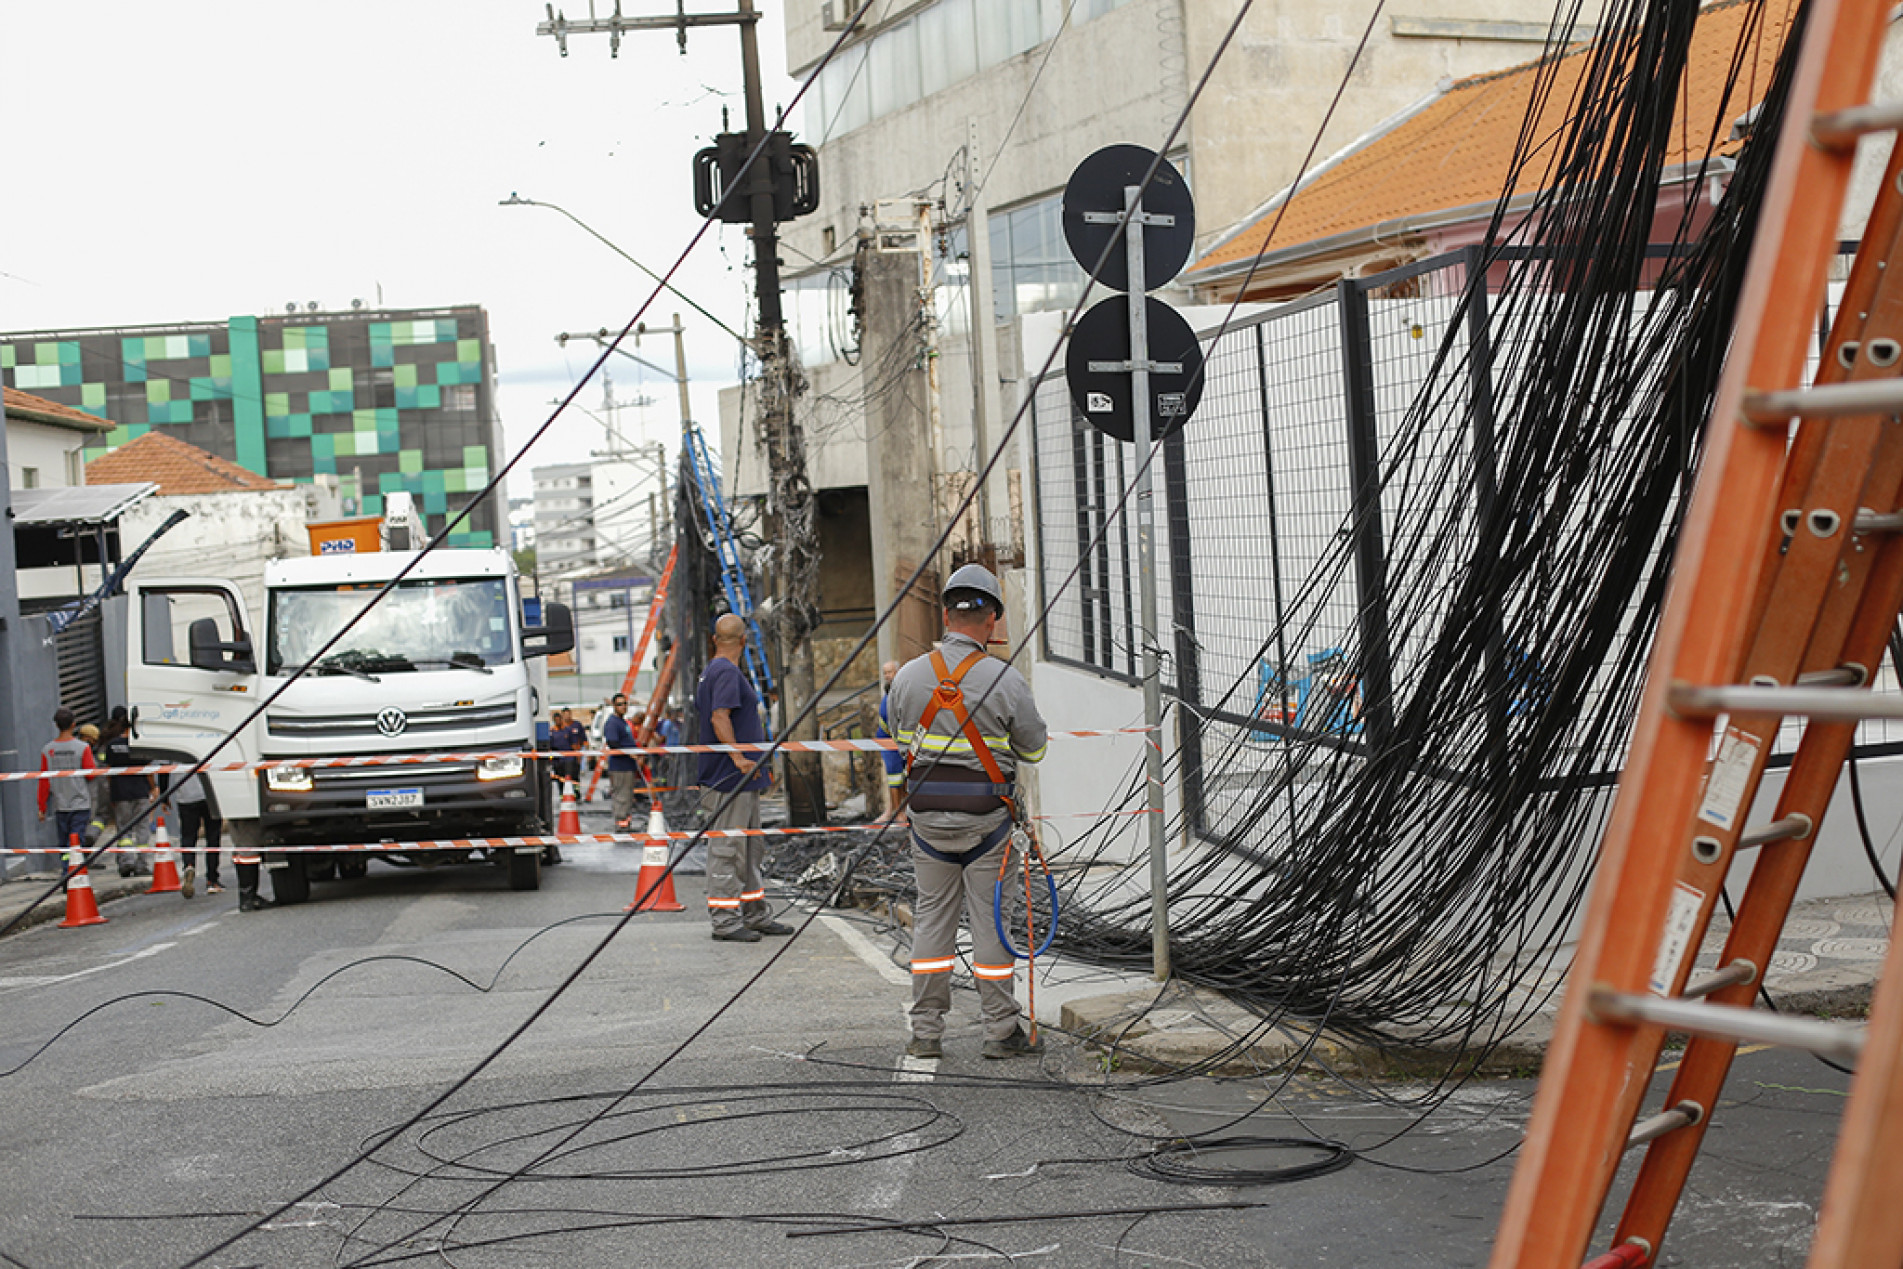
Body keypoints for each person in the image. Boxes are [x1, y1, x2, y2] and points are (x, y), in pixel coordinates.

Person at [887, 564, 1048, 1061]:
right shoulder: (1006, 680)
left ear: (946, 614)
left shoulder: (909, 677)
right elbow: (1035, 749)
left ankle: (926, 1033)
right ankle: (1001, 1032)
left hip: (928, 822)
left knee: (932, 921)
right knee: (991, 924)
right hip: (988, 825)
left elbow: (899, 741)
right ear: (993, 618)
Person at [693, 613, 792, 943]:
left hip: (740, 780)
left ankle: (754, 913)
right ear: (744, 641)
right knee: (728, 847)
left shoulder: (716, 671)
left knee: (749, 847)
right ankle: (724, 920)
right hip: (729, 779)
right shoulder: (726, 672)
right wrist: (737, 756)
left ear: (714, 639)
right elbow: (719, 717)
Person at [36, 706, 98, 880]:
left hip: (60, 804)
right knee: (77, 840)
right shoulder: (82, 748)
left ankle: (66, 872)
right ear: (74, 724)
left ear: (56, 725)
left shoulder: (47, 750)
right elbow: (91, 774)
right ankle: (76, 873)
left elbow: (44, 781)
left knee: (64, 844)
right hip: (80, 802)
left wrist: (41, 807)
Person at [100, 707, 158, 878]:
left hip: (120, 792)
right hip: (140, 792)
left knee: (123, 829)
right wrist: (153, 788)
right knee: (142, 828)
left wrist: (112, 793)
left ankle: (126, 862)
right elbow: (147, 770)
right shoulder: (139, 744)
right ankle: (141, 865)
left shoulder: (112, 746)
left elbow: (109, 772)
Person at [167, 771, 218, 900]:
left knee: (188, 837)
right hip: (210, 795)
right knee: (213, 837)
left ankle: (189, 865)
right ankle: (212, 880)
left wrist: (164, 795)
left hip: (186, 797)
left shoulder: (175, 750)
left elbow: (164, 770)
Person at [600, 694, 640, 831]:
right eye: (620, 704)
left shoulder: (623, 722)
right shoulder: (613, 723)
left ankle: (625, 823)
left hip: (628, 766)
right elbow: (612, 742)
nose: (623, 706)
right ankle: (621, 823)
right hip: (620, 767)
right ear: (614, 706)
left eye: (625, 703)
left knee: (627, 795)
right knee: (621, 795)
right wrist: (629, 753)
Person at [875, 660, 906, 823]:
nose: (887, 676)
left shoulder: (900, 689)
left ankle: (899, 810)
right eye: (885, 673)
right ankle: (895, 811)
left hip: (899, 739)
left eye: (890, 672)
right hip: (889, 741)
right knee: (894, 776)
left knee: (904, 776)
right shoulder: (889, 694)